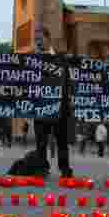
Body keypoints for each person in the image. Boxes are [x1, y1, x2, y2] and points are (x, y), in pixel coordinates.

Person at [30, 26, 74, 179]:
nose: (38, 42)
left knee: (62, 140)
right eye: (36, 40)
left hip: (59, 106)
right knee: (41, 140)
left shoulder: (61, 59)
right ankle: (41, 168)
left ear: (48, 39)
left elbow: (68, 81)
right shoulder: (31, 60)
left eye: (40, 39)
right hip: (39, 107)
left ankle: (65, 169)